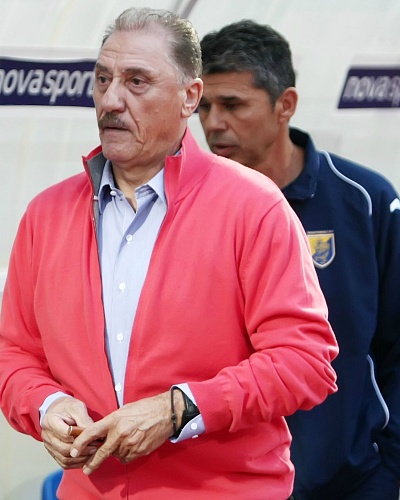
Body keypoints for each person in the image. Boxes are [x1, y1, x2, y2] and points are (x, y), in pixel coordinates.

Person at [0, 8, 338, 500]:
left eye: (137, 82)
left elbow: (304, 361)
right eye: (103, 79)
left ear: (189, 97)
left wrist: (179, 409)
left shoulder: (254, 206)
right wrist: (46, 405)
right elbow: (13, 354)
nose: (110, 100)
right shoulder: (46, 215)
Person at [199, 19, 400, 500]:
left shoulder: (365, 200)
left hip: (353, 483)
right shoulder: (184, 210)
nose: (212, 123)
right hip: (230, 483)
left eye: (232, 105)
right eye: (203, 106)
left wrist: (389, 468)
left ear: (285, 104)